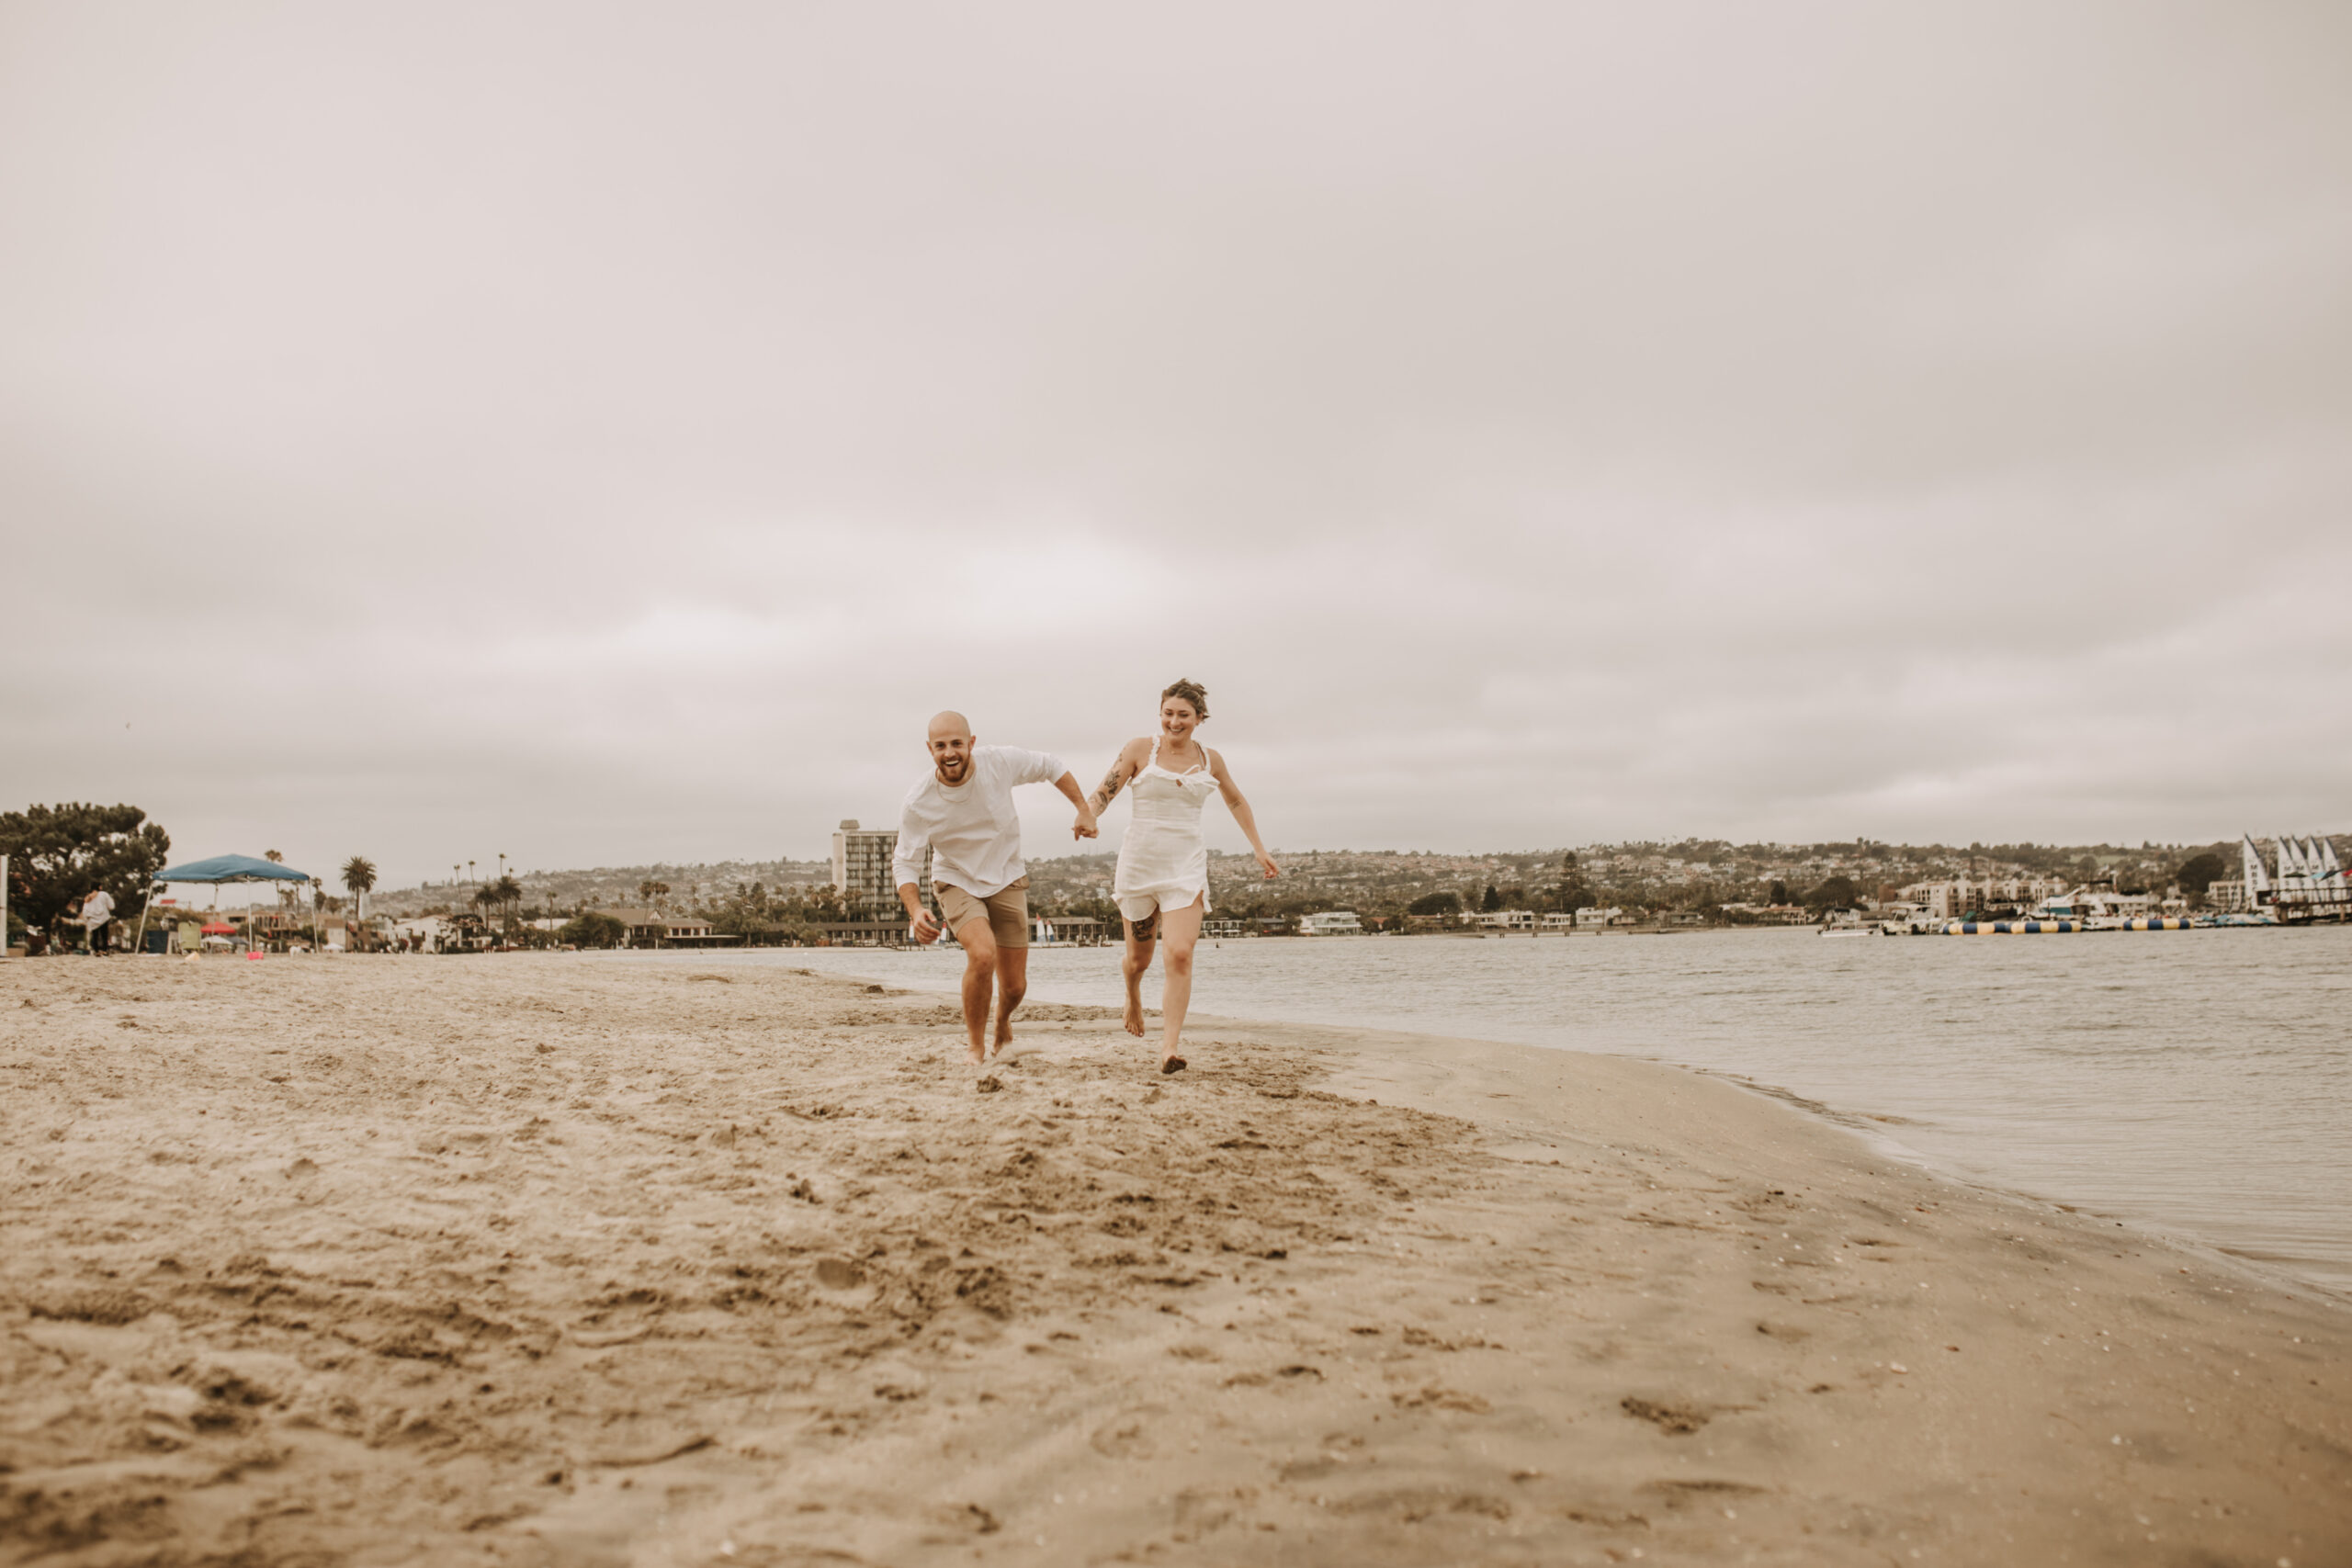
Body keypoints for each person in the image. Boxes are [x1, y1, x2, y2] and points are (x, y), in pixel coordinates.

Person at [1088, 678, 1278, 1074]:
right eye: (1168, 713)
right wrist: (1088, 815)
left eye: (1183, 715)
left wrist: (1258, 848)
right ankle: (1133, 994)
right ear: (1161, 714)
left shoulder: (1212, 760)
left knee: (1179, 953)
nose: (1174, 722)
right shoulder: (1140, 748)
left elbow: (1236, 799)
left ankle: (1169, 1049)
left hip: (1185, 868)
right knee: (1138, 961)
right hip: (1139, 865)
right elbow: (1107, 789)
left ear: (1199, 719)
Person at [895, 711, 1099, 1066]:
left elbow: (1050, 766)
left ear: (971, 743)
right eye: (940, 746)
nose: (950, 753)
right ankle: (975, 1048)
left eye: (957, 743)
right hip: (955, 878)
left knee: (1016, 986)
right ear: (930, 749)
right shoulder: (919, 800)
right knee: (983, 954)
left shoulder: (998, 762)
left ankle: (1002, 1025)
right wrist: (915, 910)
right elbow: (905, 861)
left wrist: (1083, 808)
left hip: (1007, 875)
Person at [79, 887, 115, 955]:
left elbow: (85, 910)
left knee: (95, 936)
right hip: (103, 918)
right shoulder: (104, 894)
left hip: (93, 920)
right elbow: (111, 906)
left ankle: (96, 950)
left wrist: (87, 919)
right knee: (104, 935)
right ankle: (104, 950)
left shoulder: (88, 898)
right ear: (99, 887)